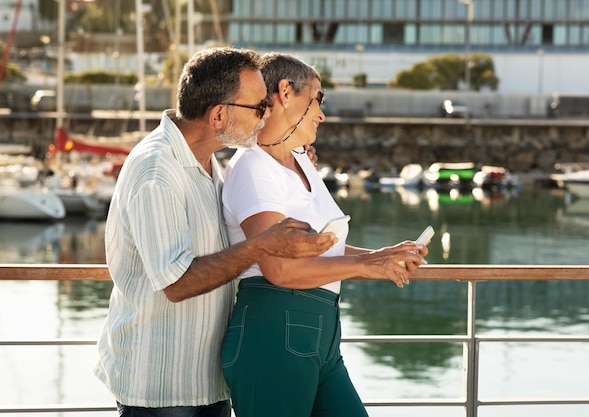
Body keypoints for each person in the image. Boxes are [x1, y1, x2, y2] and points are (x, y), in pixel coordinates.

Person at [93, 47, 336, 417]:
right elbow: (177, 282)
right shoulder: (157, 172)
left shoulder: (208, 163)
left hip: (206, 383)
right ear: (219, 114)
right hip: (160, 389)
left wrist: (292, 156)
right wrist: (262, 245)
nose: (266, 115)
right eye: (258, 108)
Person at [220, 52, 430, 417]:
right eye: (318, 97)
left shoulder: (301, 161)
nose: (322, 112)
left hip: (321, 334)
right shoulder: (255, 168)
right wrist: (366, 265)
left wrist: (383, 256)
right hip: (273, 328)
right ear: (285, 92)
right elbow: (279, 269)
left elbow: (319, 246)